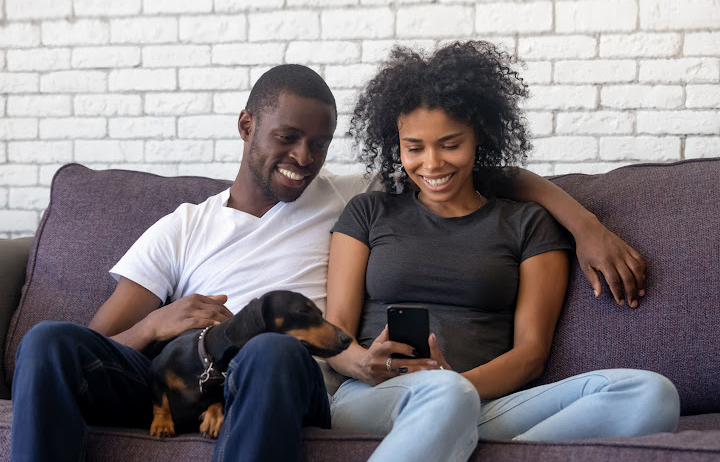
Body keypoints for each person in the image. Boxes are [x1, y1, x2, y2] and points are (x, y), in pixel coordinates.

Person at [11, 62, 649, 462]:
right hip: (179, 377)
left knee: (275, 347)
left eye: (318, 143)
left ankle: (448, 425)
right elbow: (95, 349)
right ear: (246, 126)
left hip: (278, 369)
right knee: (48, 342)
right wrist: (154, 326)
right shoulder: (183, 226)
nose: (304, 157)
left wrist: (584, 223)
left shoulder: (349, 196)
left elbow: (473, 172)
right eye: (287, 137)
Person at [325, 41, 680, 462]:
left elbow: (531, 354)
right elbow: (334, 335)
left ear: (480, 137)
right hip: (374, 397)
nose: (432, 164)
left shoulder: (527, 224)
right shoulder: (369, 212)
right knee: (446, 395)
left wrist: (455, 382)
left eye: (451, 144)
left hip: (481, 402)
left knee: (650, 393)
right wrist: (363, 363)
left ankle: (465, 444)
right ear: (396, 144)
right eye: (414, 147)